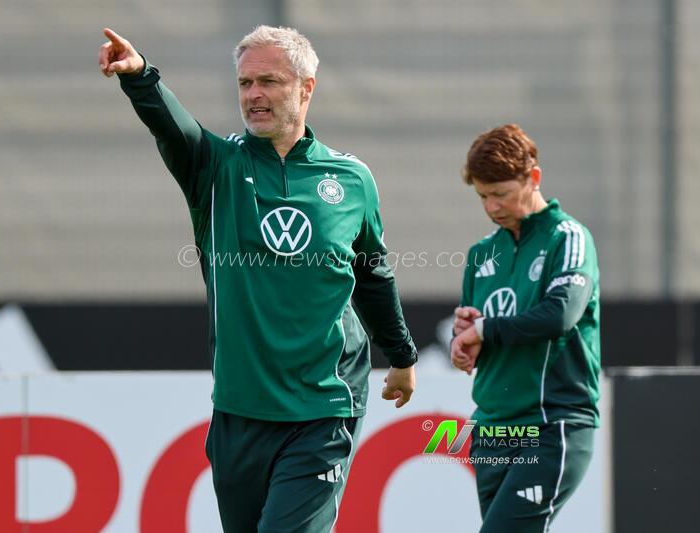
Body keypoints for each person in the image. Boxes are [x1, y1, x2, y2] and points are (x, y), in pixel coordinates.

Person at [98, 25, 417, 532]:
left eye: (268, 81)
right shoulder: (216, 167)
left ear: (306, 87)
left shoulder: (351, 179)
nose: (254, 95)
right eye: (245, 84)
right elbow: (173, 128)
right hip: (239, 412)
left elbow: (372, 272)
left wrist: (400, 355)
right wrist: (140, 77)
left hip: (324, 406)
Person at [450, 124, 600, 532]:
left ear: (533, 179)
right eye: (483, 196)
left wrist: (483, 331)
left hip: (552, 424)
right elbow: (480, 327)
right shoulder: (483, 253)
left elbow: (560, 315)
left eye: (500, 193)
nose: (492, 206)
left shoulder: (567, 238)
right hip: (493, 428)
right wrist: (463, 342)